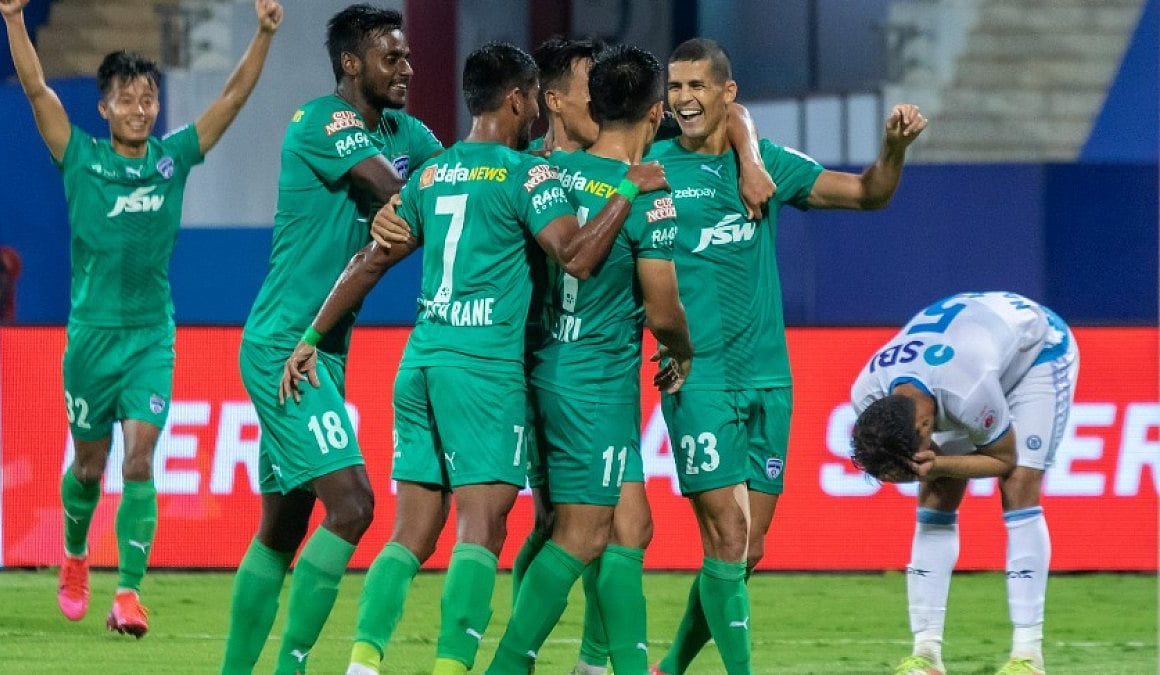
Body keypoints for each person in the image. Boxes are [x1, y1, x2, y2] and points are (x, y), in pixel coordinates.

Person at [277, 41, 665, 675]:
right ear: (517, 99)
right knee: (481, 531)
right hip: (483, 372)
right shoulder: (524, 175)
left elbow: (371, 257)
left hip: (420, 362)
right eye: (534, 97)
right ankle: (456, 667)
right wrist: (627, 189)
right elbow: (576, 256)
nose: (539, 109)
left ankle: (363, 662)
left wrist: (311, 336)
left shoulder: (432, 173)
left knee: (412, 533)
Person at [0, 0, 283, 638]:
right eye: (126, 99)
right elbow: (39, 89)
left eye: (148, 98)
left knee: (139, 461)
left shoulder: (172, 158)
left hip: (152, 337)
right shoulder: (80, 158)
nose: (139, 108)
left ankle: (127, 594)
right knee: (91, 467)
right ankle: (74, 555)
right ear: (103, 107)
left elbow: (231, 100)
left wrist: (262, 34)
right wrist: (16, 20)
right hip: (90, 342)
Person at [647, 38, 928, 675]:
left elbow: (867, 194)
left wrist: (894, 149)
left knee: (748, 550)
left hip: (769, 378)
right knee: (726, 536)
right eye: (675, 87)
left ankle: (668, 667)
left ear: (727, 93)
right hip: (698, 377)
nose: (683, 100)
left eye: (697, 87)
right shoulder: (651, 168)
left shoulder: (767, 165)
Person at [221, 4, 442, 674]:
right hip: (286, 346)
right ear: (351, 62)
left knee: (283, 529)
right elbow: (391, 192)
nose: (406, 67)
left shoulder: (409, 130)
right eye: (390, 56)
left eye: (406, 56)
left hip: (326, 350)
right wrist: (422, 204)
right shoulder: (322, 120)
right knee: (353, 505)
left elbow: (449, 184)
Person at [485, 45, 693, 675]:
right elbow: (662, 309)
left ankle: (601, 668)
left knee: (631, 526)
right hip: (594, 383)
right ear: (656, 113)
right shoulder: (647, 195)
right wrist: (681, 350)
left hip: (546, 367)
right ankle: (507, 666)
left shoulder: (547, 172)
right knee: (581, 534)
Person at [850, 292, 1078, 675]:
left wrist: (937, 462)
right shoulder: (866, 395)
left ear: (925, 427)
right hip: (971, 350)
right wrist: (932, 469)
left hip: (1037, 351)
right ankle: (925, 653)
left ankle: (1027, 656)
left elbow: (1004, 459)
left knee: (1019, 484)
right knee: (936, 493)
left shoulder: (964, 391)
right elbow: (917, 462)